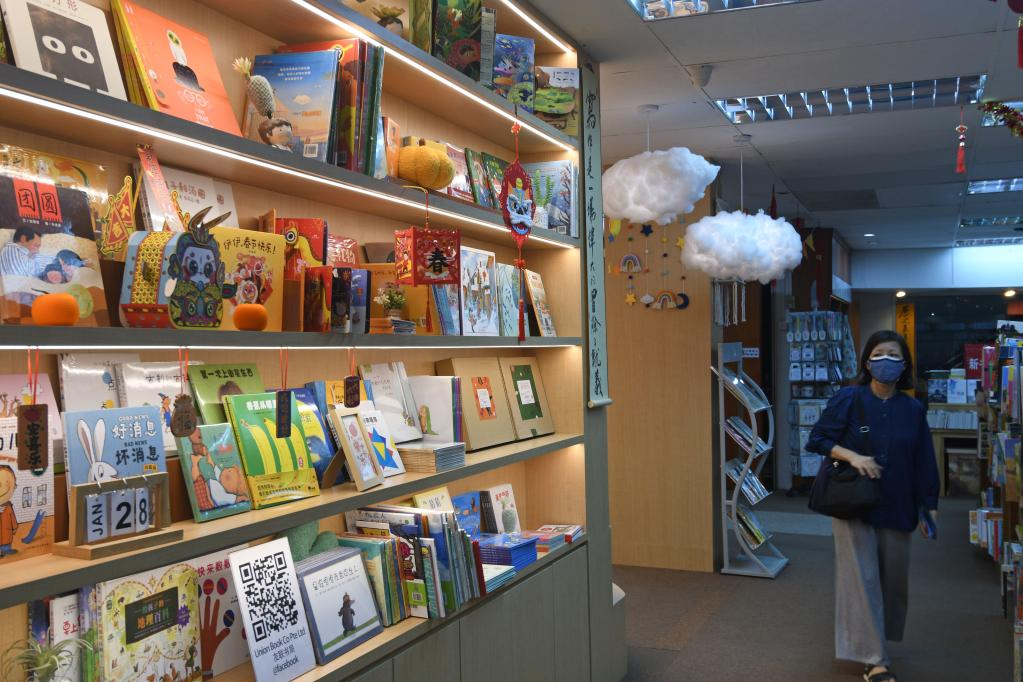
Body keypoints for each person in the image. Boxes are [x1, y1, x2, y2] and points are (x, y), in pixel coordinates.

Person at [806, 330, 939, 682]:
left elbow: (923, 459)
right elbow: (818, 439)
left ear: (904, 364)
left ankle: (877, 639)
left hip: (899, 501)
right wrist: (852, 456)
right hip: (854, 501)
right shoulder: (848, 398)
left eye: (893, 355)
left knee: (893, 581)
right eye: (879, 354)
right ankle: (874, 659)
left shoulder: (913, 409)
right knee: (861, 580)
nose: (886, 361)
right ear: (867, 362)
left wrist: (929, 505)